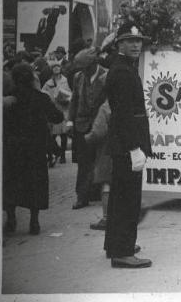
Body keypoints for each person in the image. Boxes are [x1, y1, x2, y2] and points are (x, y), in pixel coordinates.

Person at [104, 22, 153, 268]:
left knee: (119, 197)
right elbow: (123, 114)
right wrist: (134, 147)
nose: (136, 45)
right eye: (130, 41)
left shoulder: (123, 67)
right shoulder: (123, 72)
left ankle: (115, 244)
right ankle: (122, 251)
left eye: (138, 41)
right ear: (119, 44)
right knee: (127, 199)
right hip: (127, 144)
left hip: (123, 143)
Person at [3, 63, 63, 235]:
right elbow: (57, 117)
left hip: (13, 147)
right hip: (35, 147)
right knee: (35, 183)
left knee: (12, 183)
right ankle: (34, 221)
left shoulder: (9, 98)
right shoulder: (40, 97)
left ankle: (11, 218)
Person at [67, 47, 108, 209]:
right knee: (84, 163)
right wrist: (70, 121)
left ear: (93, 64)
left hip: (101, 124)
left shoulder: (107, 75)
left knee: (101, 160)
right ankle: (81, 197)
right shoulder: (78, 78)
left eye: (85, 67)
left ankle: (99, 193)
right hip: (82, 125)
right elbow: (74, 101)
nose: (82, 70)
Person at [84, 100, 112, 231]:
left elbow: (98, 132)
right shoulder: (129, 101)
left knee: (107, 183)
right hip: (126, 150)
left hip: (107, 151)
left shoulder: (106, 106)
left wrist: (87, 138)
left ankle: (107, 218)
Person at [41, 62, 72, 166]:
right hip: (53, 110)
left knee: (63, 134)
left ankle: (62, 154)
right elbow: (43, 94)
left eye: (58, 67)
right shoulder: (48, 83)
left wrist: (66, 97)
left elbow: (71, 93)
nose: (56, 69)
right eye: (54, 67)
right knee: (52, 135)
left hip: (63, 108)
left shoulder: (66, 81)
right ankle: (53, 154)